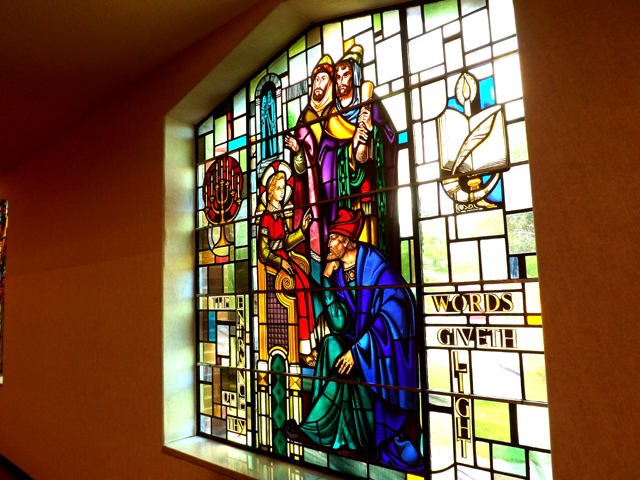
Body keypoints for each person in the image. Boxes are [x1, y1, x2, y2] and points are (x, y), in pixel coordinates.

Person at [286, 208, 422, 473]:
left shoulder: (376, 269)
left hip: (382, 356)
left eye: (332, 239)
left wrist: (358, 351)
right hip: (359, 346)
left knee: (343, 360)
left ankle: (326, 432)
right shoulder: (339, 272)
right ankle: (329, 434)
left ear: (347, 241)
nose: (328, 245)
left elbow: (397, 311)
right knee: (330, 345)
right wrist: (327, 280)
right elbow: (340, 324)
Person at [258, 170, 317, 366]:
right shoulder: (266, 217)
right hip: (275, 264)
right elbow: (263, 251)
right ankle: (302, 349)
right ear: (271, 191)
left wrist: (302, 229)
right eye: (279, 188)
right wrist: (280, 262)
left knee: (305, 285)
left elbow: (284, 242)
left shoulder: (280, 215)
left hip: (285, 258)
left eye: (284, 188)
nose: (282, 192)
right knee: (299, 288)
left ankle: (310, 345)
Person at [284, 55, 335, 263]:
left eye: (323, 79)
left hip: (335, 188)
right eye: (316, 80)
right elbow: (300, 171)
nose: (318, 85)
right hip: (314, 193)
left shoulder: (337, 113)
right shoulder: (304, 119)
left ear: (330, 85)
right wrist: (298, 151)